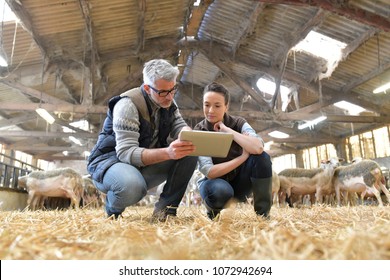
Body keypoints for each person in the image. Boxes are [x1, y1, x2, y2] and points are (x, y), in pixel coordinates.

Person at [87, 59, 198, 221]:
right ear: (147, 88)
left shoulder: (168, 102)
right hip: (111, 163)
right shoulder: (128, 105)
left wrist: (187, 132)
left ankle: (165, 212)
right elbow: (126, 153)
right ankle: (113, 208)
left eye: (173, 89)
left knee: (189, 152)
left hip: (142, 165)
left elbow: (179, 124)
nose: (169, 97)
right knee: (131, 187)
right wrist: (168, 153)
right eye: (163, 92)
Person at [194, 82, 273, 220]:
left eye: (217, 106)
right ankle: (212, 211)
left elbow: (258, 147)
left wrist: (227, 130)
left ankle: (263, 215)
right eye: (206, 105)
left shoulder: (238, 123)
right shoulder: (200, 130)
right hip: (214, 184)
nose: (211, 110)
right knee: (221, 191)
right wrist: (242, 157)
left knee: (262, 158)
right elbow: (210, 171)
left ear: (226, 106)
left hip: (239, 183)